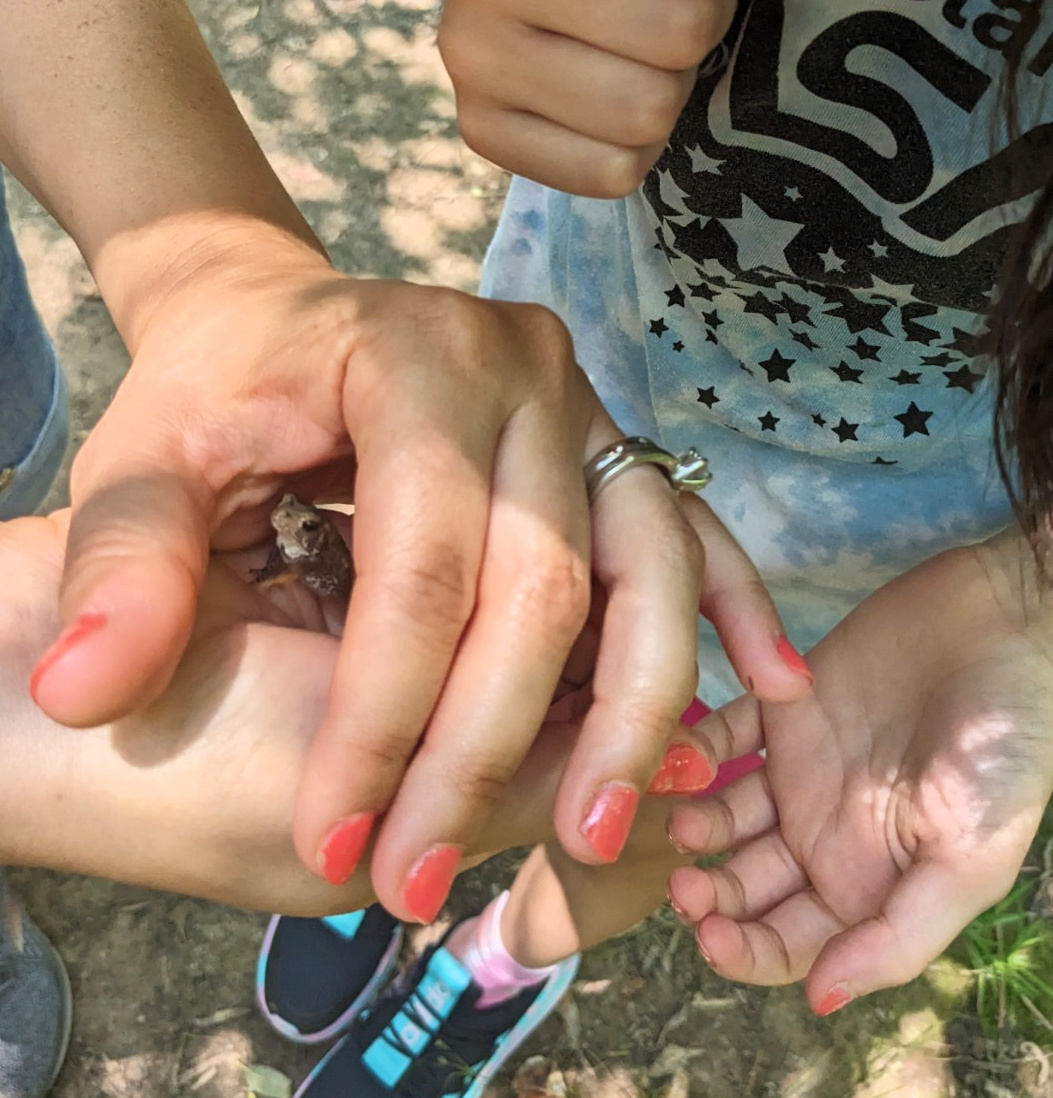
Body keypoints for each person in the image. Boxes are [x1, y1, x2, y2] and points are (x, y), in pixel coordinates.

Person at [250, 1, 1053, 1095]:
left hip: (872, 576)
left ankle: (505, 959)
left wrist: (1029, 596)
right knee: (437, 644)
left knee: (646, 798)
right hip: (571, 372)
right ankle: (388, 852)